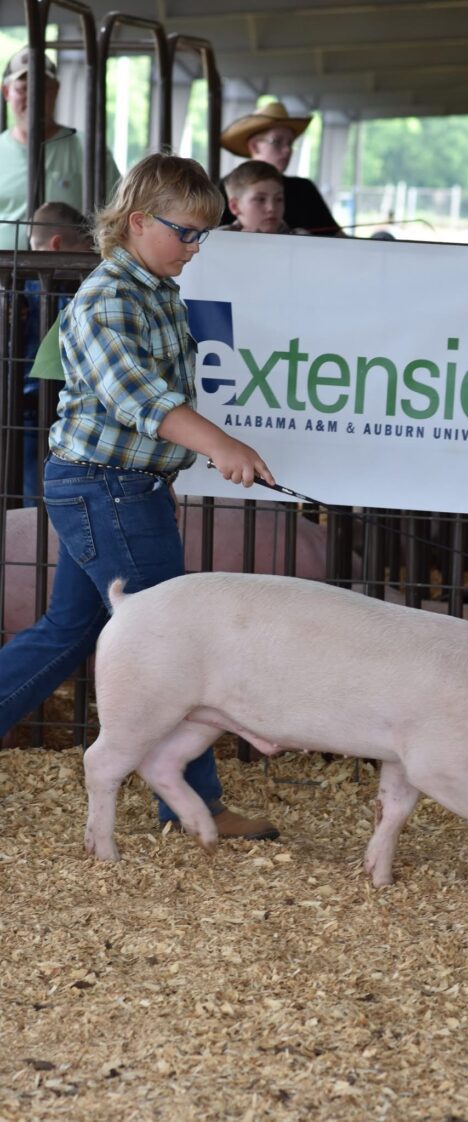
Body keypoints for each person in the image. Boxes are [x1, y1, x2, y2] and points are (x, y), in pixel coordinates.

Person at [0, 152, 280, 843]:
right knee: (173, 647)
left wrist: (179, 463)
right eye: (185, 231)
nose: (194, 246)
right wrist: (219, 445)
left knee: (67, 633)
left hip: (119, 487)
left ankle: (185, 803)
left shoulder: (153, 289)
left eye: (203, 234)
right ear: (136, 222)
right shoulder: (107, 299)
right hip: (107, 489)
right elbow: (139, 399)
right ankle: (192, 809)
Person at [0, 45, 120, 250]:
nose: (33, 97)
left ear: (56, 90)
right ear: (6, 92)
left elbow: (118, 216)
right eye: (23, 88)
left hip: (72, 277)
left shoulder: (89, 150)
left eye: (42, 88)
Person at [21, 201, 94, 505]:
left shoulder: (16, 288)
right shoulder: (75, 288)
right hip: (63, 404)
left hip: (24, 402)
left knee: (29, 490)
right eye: (86, 248)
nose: (92, 259)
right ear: (57, 245)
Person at [220, 101, 344, 236]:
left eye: (290, 143)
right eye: (277, 142)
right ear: (254, 146)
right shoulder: (222, 189)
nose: (287, 150)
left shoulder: (304, 189)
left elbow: (337, 237)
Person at [220, 159, 294, 234]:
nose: (272, 208)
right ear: (235, 206)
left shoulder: (303, 239)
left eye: (279, 199)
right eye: (260, 199)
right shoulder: (216, 240)